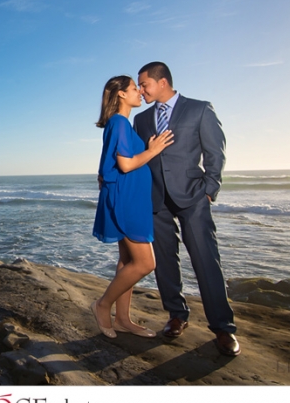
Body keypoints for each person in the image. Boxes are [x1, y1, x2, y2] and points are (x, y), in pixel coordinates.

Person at [133, 61, 240, 356]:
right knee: (165, 260)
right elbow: (140, 157)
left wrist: (209, 191)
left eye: (145, 85)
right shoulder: (141, 120)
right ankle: (177, 315)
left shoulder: (200, 109)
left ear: (162, 82)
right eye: (140, 86)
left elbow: (215, 153)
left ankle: (223, 327)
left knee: (206, 259)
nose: (141, 90)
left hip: (193, 198)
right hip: (156, 201)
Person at [91, 75, 174, 339]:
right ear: (121, 95)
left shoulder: (121, 124)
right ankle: (102, 305)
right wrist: (153, 150)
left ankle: (123, 319)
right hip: (126, 200)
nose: (140, 92)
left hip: (129, 197)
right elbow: (125, 164)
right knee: (145, 263)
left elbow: (108, 164)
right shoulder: (119, 123)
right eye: (133, 88)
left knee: (127, 260)